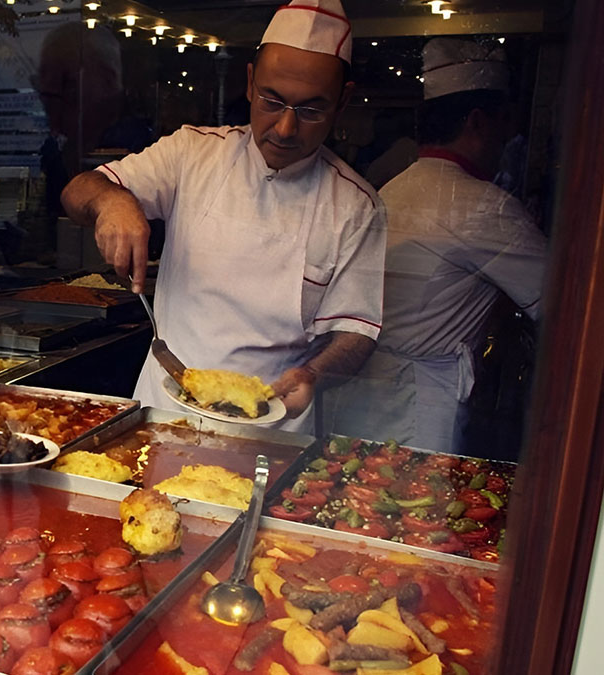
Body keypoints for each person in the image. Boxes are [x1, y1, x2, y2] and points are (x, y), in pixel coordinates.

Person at [61, 0, 385, 432]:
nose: (286, 129)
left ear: (342, 102)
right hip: (163, 414)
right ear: (250, 83)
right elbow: (76, 191)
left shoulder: (356, 207)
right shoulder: (191, 153)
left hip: (271, 427)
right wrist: (111, 201)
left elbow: (355, 332)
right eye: (272, 101)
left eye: (310, 110)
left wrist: (314, 374)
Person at [329, 39, 547, 454]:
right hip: (417, 402)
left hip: (361, 392)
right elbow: (563, 302)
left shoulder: (396, 186)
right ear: (479, 122)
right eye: (504, 123)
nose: (510, 138)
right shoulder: (484, 207)